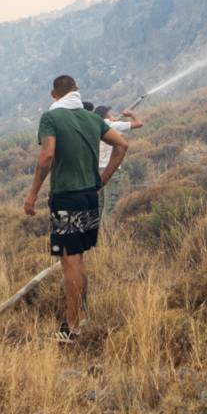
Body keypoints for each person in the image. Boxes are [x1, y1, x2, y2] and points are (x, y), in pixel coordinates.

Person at [24, 75, 127, 342]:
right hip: (89, 197)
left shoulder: (51, 118)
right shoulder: (92, 118)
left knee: (70, 262)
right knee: (78, 259)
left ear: (53, 94)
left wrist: (32, 193)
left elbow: (47, 155)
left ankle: (71, 327)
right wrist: (102, 180)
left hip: (67, 199)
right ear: (76, 90)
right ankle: (81, 317)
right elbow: (122, 144)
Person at [93, 105, 144, 219]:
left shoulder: (94, 127)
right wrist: (131, 114)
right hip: (111, 169)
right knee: (109, 207)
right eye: (109, 112)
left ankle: (96, 229)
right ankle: (107, 230)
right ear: (106, 114)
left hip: (96, 170)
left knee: (99, 205)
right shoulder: (113, 125)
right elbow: (139, 123)